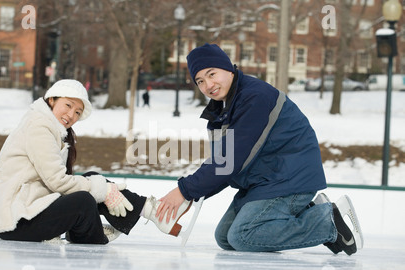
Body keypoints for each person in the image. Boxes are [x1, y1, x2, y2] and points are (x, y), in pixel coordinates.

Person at [156, 43, 363, 255]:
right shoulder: (222, 111)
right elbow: (225, 165)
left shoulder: (254, 97)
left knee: (243, 235)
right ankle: (307, 212)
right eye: (200, 81)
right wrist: (193, 194)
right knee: (225, 237)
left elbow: (230, 160)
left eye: (212, 74)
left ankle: (327, 222)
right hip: (264, 180)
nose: (208, 85)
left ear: (228, 68)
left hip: (290, 177)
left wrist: (184, 190)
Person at [0, 79, 192, 244]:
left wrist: (102, 187)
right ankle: (100, 231)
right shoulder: (39, 127)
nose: (71, 115)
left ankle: (152, 212)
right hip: (17, 221)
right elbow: (58, 182)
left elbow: (60, 183)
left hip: (32, 210)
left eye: (77, 112)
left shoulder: (49, 127)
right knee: (84, 200)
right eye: (68, 105)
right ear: (52, 99)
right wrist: (103, 190)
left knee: (92, 180)